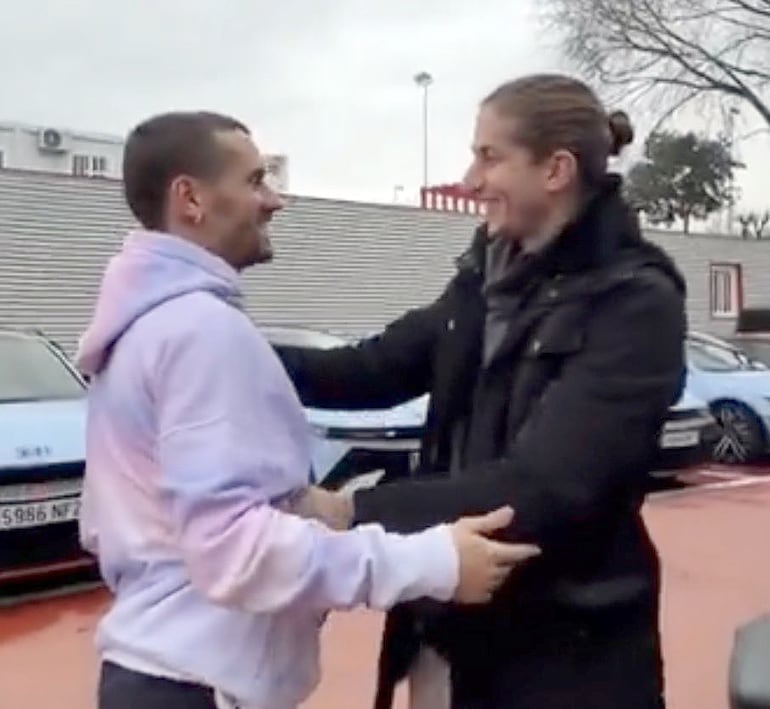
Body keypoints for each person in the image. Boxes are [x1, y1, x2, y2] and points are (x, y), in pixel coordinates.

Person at [74, 111, 541, 709]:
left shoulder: (144, 330)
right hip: (198, 684)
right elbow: (237, 550)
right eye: (254, 180)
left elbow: (107, 525)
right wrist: (430, 561)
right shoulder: (200, 333)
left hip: (158, 671)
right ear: (190, 199)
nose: (275, 199)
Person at [278, 74, 687, 709]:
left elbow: (546, 488)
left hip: (565, 657)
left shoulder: (634, 301)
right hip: (449, 631)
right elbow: (375, 367)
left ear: (555, 170)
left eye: (489, 157)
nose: (471, 180)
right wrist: (233, 352)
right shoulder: (486, 277)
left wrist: (349, 512)